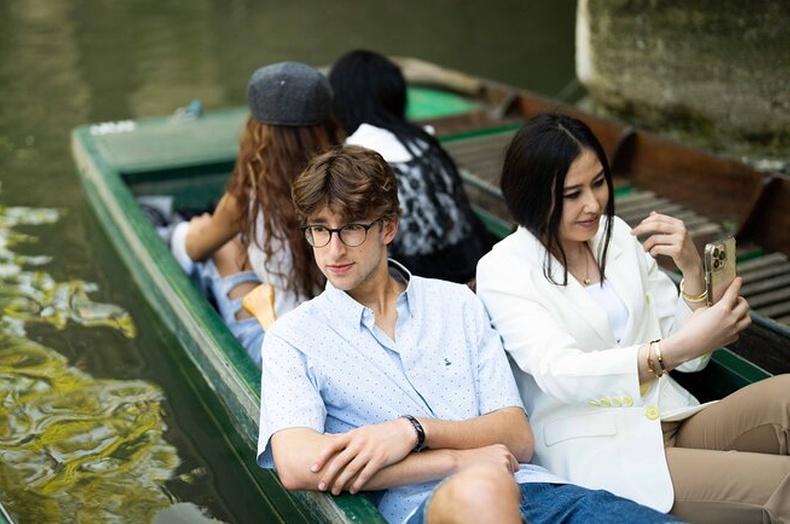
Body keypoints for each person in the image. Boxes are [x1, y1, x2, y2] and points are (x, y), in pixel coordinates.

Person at [257, 145, 683, 524]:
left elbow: (516, 436)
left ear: (388, 227)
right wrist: (458, 460)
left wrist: (414, 431)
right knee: (479, 494)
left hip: (535, 491)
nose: (333, 251)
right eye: (319, 230)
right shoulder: (294, 339)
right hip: (430, 509)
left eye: (351, 229)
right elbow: (299, 466)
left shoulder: (456, 304)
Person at [476, 112, 790, 523]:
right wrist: (672, 350)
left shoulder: (615, 234)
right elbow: (561, 372)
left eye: (599, 182)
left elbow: (692, 359)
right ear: (531, 196)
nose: (593, 205)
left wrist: (692, 271)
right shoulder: (503, 269)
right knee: (781, 486)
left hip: (672, 416)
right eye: (572, 194)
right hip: (604, 452)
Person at [170, 61, 340, 365]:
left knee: (211, 244)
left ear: (256, 131)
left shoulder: (248, 197)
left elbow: (195, 250)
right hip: (340, 338)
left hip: (279, 352)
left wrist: (196, 230)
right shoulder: (349, 179)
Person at [328, 50, 491, 284]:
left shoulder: (354, 158)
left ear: (342, 102)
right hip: (471, 257)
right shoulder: (424, 142)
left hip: (415, 278)